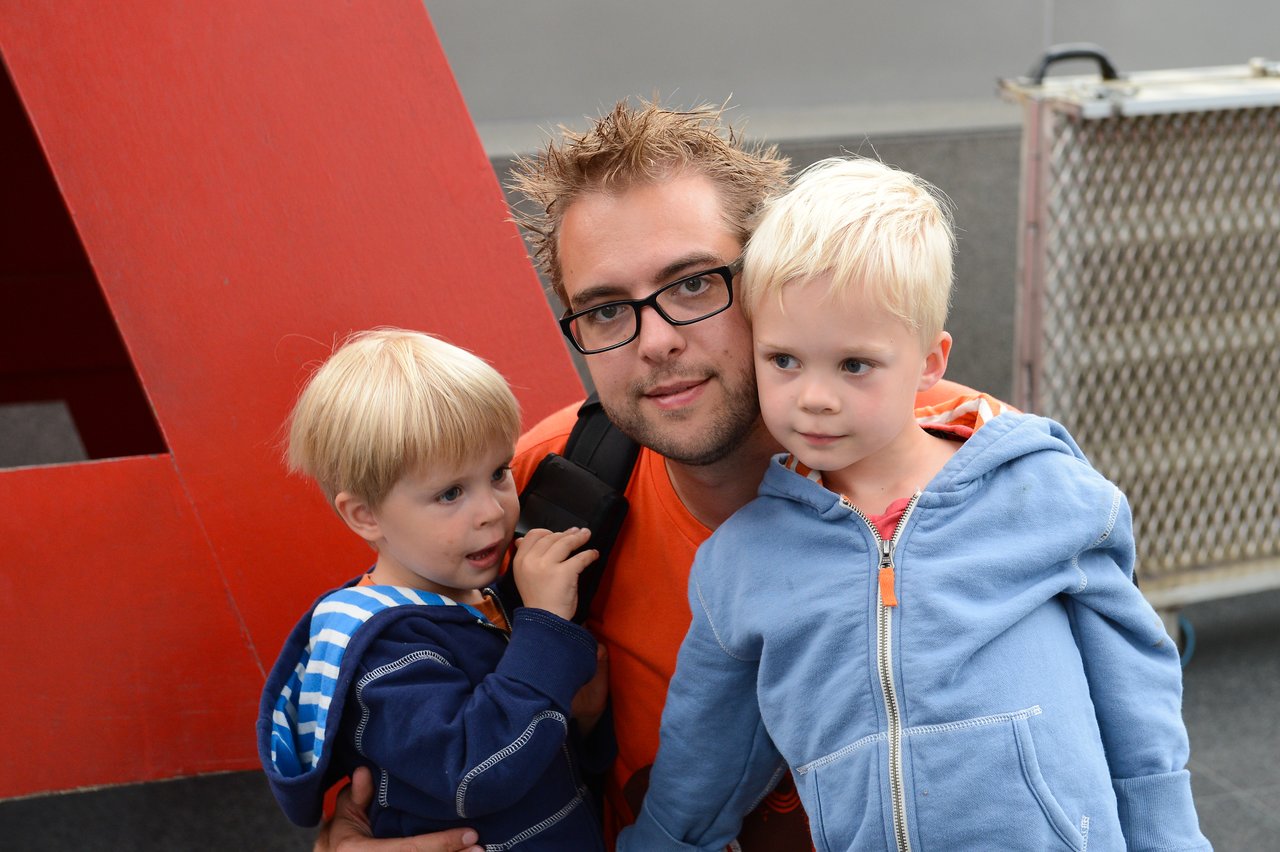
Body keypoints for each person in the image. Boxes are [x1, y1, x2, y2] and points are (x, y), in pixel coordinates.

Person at [315, 100, 979, 852]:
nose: (655, 341)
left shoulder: (963, 458)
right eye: (604, 311)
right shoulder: (543, 484)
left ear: (768, 277)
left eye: (694, 284)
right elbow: (389, 681)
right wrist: (356, 830)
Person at [616, 157, 1210, 851]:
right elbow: (704, 755)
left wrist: (1169, 839)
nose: (814, 396)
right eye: (783, 360)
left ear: (930, 361)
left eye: (854, 365)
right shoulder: (743, 563)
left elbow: (1134, 691)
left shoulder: (1042, 494)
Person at [257, 329, 605, 850]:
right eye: (449, 493)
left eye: (498, 472)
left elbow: (550, 755)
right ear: (365, 515)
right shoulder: (384, 652)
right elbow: (477, 774)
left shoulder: (479, 597)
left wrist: (586, 717)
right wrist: (548, 629)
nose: (491, 511)